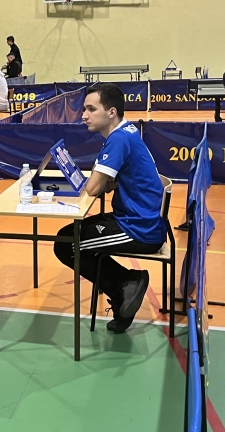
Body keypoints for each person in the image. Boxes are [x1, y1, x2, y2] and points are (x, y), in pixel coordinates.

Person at [53, 83, 165, 333]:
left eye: (91, 109)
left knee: (66, 245)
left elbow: (93, 188)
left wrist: (99, 181)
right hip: (136, 217)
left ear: (111, 112)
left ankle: (125, 285)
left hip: (139, 228)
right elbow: (107, 183)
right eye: (84, 109)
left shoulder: (119, 139)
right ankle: (126, 283)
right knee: (69, 235)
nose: (84, 115)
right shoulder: (125, 131)